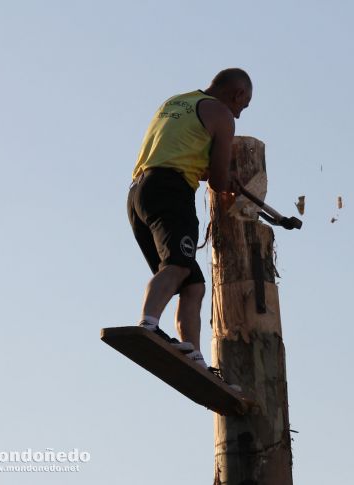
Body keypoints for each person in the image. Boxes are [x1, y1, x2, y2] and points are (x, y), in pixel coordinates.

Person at [127, 68, 252, 368]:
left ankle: (191, 352)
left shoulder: (177, 102)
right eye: (243, 105)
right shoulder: (222, 115)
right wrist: (230, 179)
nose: (239, 113)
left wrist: (214, 171)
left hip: (139, 193)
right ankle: (148, 324)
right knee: (177, 266)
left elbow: (185, 151)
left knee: (192, 283)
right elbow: (219, 182)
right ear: (236, 95)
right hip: (172, 191)